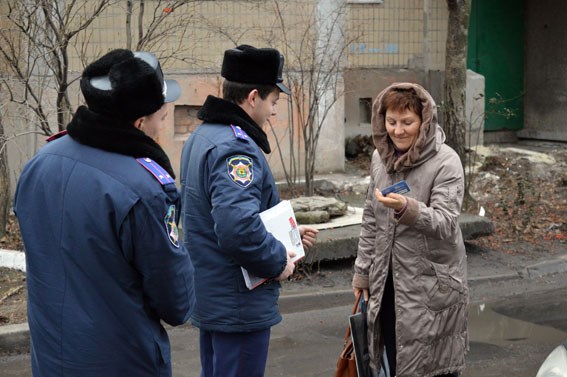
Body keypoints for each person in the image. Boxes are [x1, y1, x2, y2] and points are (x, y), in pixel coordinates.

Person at [14, 49, 196, 377]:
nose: (163, 121)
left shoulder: (40, 163)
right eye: (162, 116)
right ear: (140, 122)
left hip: (52, 359)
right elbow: (176, 303)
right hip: (121, 361)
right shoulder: (144, 188)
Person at [179, 44, 318, 377]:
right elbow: (237, 229)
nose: (273, 111)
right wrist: (277, 261)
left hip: (217, 296)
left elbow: (220, 217)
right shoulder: (234, 148)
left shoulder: (205, 135)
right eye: (273, 102)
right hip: (238, 302)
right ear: (253, 97)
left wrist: (285, 238)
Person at [352, 82, 468, 377]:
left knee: (434, 367)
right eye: (391, 122)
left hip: (432, 289)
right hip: (388, 284)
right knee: (393, 360)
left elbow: (446, 222)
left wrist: (408, 208)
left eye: (407, 122)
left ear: (424, 122)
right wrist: (363, 271)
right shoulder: (381, 159)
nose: (398, 130)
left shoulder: (446, 162)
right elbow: (370, 219)